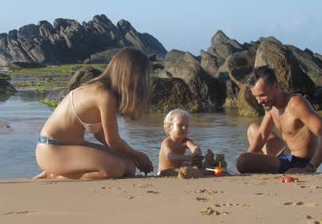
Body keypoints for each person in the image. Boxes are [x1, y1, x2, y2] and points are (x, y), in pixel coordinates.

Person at [34, 47, 153, 180]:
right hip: (52, 149)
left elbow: (100, 134)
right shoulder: (104, 96)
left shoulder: (99, 88)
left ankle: (61, 171)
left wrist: (130, 157)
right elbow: (113, 141)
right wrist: (137, 155)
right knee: (116, 168)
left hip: (67, 147)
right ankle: (55, 175)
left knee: (130, 167)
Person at [236, 66, 322, 174]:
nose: (259, 101)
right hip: (283, 156)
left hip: (298, 162)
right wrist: (250, 155)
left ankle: (257, 166)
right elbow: (262, 136)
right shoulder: (271, 107)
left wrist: (310, 168)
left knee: (243, 161)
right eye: (256, 97)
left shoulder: (296, 104)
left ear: (276, 87)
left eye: (262, 95)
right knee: (253, 129)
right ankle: (260, 167)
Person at [157, 109, 202, 175]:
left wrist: (197, 154)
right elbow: (171, 156)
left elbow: (195, 148)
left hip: (178, 170)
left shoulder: (186, 141)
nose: (184, 128)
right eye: (180, 125)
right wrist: (187, 157)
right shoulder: (166, 142)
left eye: (186, 126)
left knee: (189, 166)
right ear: (170, 127)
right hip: (163, 172)